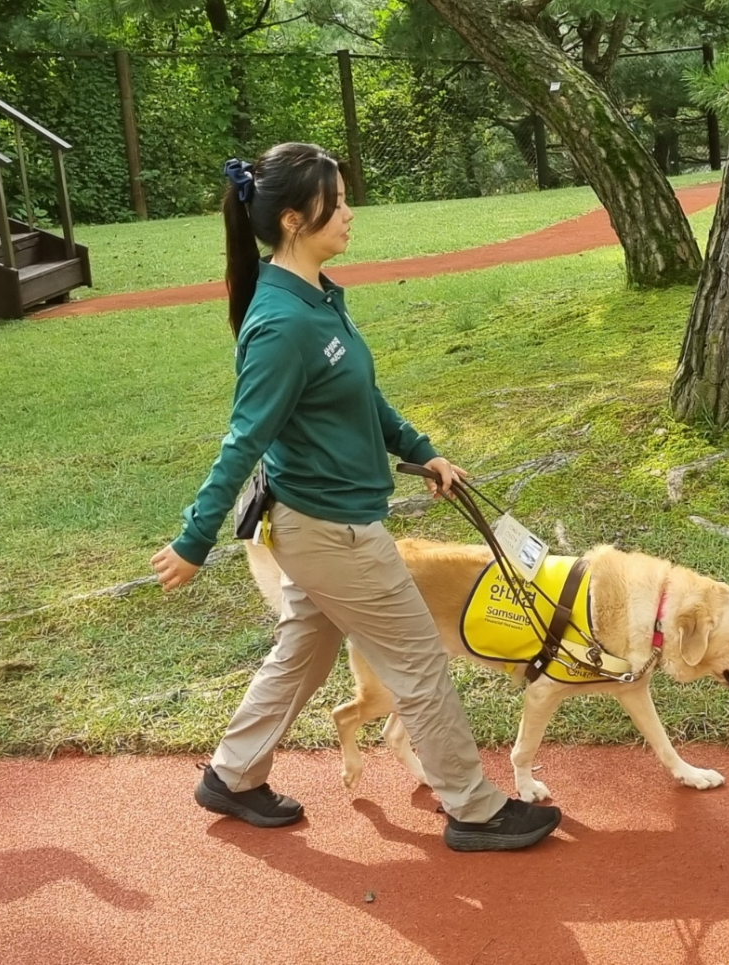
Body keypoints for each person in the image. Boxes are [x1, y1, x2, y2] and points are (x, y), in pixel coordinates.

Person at [150, 143, 561, 853]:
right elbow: (242, 441)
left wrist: (419, 447)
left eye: (344, 197)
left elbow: (359, 396)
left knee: (304, 652)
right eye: (334, 201)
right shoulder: (282, 323)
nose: (348, 211)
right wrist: (193, 540)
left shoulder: (315, 298)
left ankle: (232, 773)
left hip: (329, 523)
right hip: (330, 530)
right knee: (419, 662)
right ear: (291, 219)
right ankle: (475, 806)